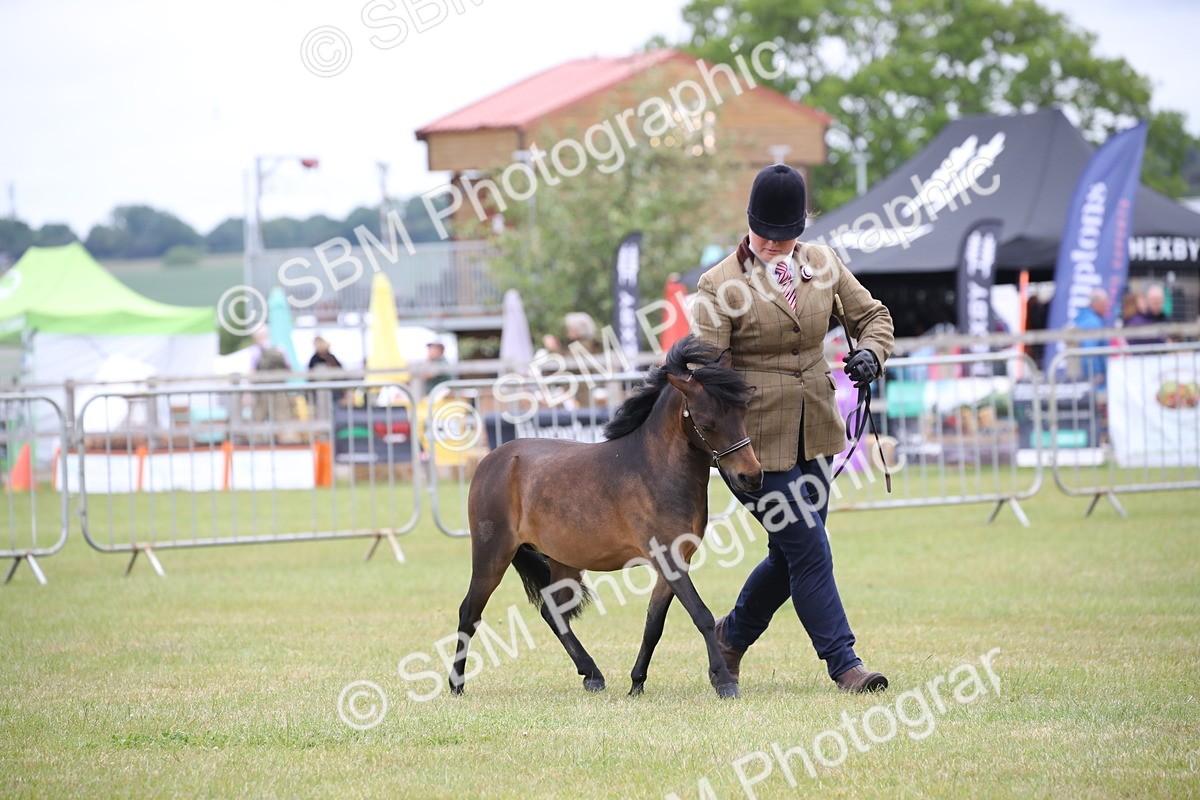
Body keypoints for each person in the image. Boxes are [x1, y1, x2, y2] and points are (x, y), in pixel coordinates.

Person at [693, 163, 895, 693]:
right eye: (767, 236)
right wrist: (727, 449)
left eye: (789, 236)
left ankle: (730, 638)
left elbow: (874, 316)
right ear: (749, 222)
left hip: (816, 432)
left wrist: (872, 354)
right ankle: (845, 664)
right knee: (808, 547)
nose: (778, 246)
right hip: (752, 447)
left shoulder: (823, 263)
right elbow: (709, 376)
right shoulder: (718, 285)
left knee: (790, 554)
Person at [1073, 288, 1110, 387]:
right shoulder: (1093, 322)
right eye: (1104, 303)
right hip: (1095, 378)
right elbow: (1089, 351)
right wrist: (1095, 373)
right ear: (1097, 304)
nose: (1107, 306)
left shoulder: (1084, 318)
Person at [307, 335, 348, 406]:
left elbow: (340, 370)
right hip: (319, 391)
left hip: (334, 389)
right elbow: (310, 375)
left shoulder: (331, 357)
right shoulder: (314, 359)